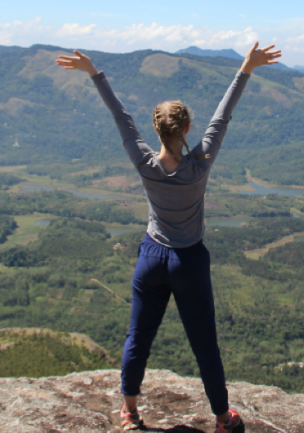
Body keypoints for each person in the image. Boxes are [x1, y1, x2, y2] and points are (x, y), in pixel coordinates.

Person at [56, 43, 281, 432]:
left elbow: (120, 117)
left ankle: (128, 413)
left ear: (156, 130)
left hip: (151, 257)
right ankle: (224, 421)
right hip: (189, 261)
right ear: (188, 129)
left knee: (138, 336)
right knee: (204, 344)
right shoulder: (200, 164)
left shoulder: (144, 163)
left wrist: (95, 73)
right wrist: (246, 68)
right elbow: (222, 117)